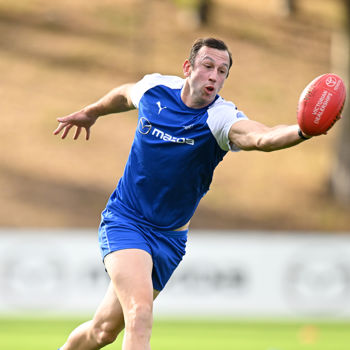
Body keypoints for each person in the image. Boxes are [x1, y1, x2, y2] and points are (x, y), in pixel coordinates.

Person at [53, 37, 315, 350]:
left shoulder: (219, 119)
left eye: (222, 71)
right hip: (127, 221)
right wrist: (92, 111)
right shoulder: (155, 90)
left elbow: (262, 137)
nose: (214, 76)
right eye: (208, 66)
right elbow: (124, 95)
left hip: (170, 239)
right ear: (187, 68)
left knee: (103, 331)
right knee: (139, 314)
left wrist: (302, 130)